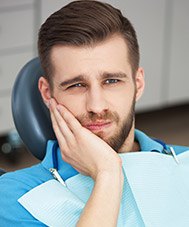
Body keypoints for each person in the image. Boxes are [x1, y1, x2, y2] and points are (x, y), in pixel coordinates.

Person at [0, 1, 188, 226]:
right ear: (47, 93)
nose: (97, 106)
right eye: (76, 85)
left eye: (111, 81)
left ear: (138, 84)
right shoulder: (15, 196)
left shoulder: (184, 163)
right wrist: (107, 173)